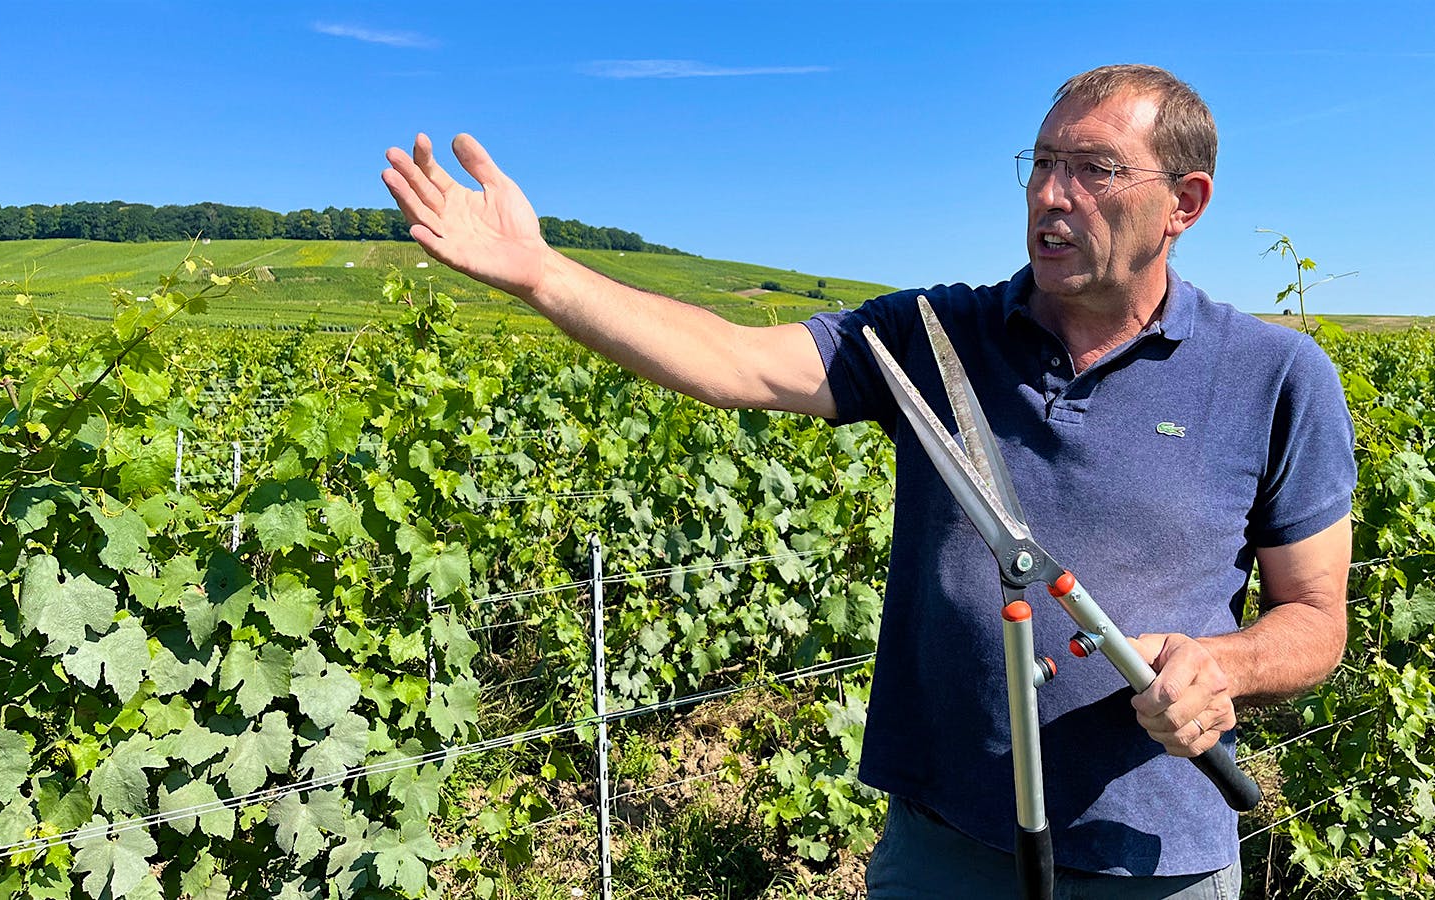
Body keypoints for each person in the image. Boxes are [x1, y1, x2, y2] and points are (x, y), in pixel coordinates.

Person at [383, 64, 1355, 899]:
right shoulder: (933, 338)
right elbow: (730, 358)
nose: (1052, 196)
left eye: (1094, 170)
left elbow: (1315, 621)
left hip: (1153, 859)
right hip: (940, 845)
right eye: (1042, 164)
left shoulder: (1273, 376)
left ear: (1183, 203)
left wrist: (1221, 668)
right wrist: (542, 274)